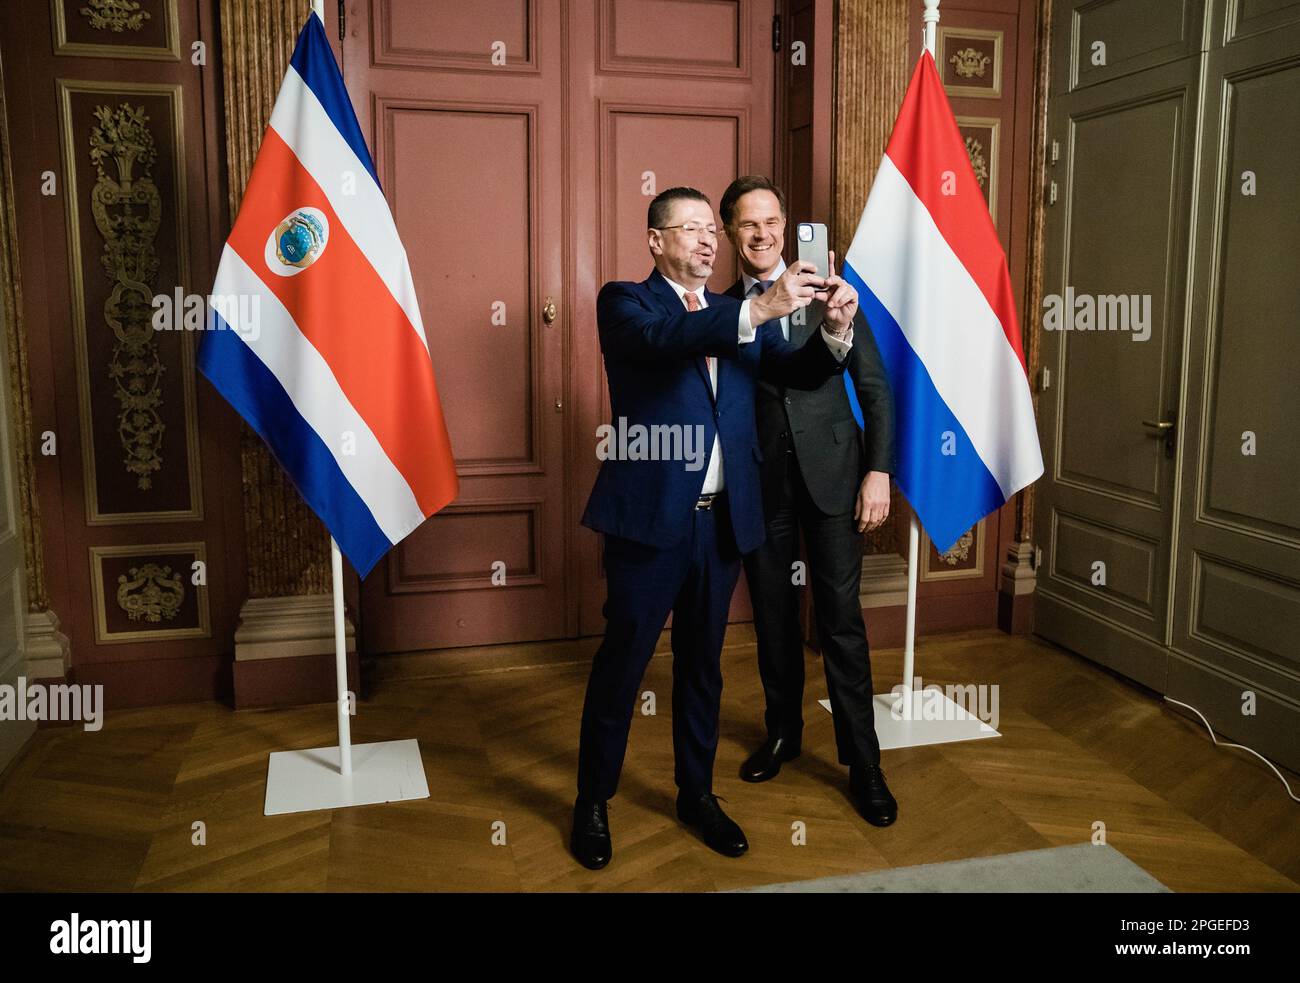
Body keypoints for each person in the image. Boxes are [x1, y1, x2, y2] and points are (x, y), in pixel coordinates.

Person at [572, 186, 860, 869]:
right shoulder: (626, 302)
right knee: (624, 665)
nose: (708, 240)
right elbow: (662, 341)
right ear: (656, 240)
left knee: (704, 667)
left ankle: (695, 794)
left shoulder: (736, 315)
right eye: (691, 228)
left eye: (711, 230)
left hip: (720, 527)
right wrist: (758, 308)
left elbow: (790, 371)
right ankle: (593, 800)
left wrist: (834, 330)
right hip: (648, 527)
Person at [719, 174, 899, 826]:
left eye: (772, 220)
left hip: (834, 480)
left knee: (840, 622)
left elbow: (875, 390)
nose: (763, 233)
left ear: (786, 225)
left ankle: (865, 762)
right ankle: (783, 733)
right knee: (771, 617)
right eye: (749, 223)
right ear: (732, 235)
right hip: (762, 484)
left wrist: (877, 471)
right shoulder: (723, 311)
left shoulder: (834, 296)